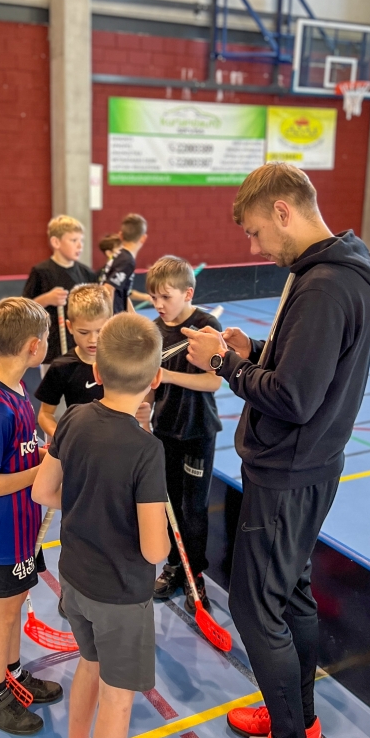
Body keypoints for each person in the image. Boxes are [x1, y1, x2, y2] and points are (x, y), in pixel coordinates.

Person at [183, 162, 370, 738]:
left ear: (282, 211)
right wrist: (255, 354)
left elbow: (294, 399)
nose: (254, 248)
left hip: (290, 471)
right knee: (290, 596)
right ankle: (298, 720)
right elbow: (304, 368)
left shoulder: (325, 285)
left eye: (254, 232)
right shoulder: (326, 271)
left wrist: (224, 363)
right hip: (302, 466)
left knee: (255, 605)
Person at [32, 314, 170, 738]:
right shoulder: (146, 450)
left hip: (76, 581)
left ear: (95, 369)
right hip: (120, 594)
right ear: (155, 379)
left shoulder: (74, 418)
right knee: (118, 698)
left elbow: (45, 491)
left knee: (89, 664)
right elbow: (155, 550)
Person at [0, 297, 63, 735]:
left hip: (22, 526)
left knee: (15, 605)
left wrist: (43, 454)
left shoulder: (19, 390)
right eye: (46, 339)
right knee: (2, 615)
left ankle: (12, 674)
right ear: (33, 346)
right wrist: (38, 472)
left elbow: (19, 454)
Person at [147, 256, 222, 613]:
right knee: (170, 506)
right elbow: (150, 386)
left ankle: (196, 575)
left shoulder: (206, 326)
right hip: (163, 431)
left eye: (166, 297)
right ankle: (175, 566)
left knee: (194, 509)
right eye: (153, 297)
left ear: (188, 293)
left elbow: (213, 381)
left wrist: (168, 375)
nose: (158, 304)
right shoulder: (153, 331)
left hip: (198, 431)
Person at [34, 283, 110, 439]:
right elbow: (45, 414)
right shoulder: (62, 367)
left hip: (116, 442)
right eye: (83, 332)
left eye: (99, 331)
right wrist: (62, 437)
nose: (92, 339)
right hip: (81, 443)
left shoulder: (121, 360)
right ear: (70, 327)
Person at [22, 215, 96, 363]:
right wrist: (46, 299)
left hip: (80, 343)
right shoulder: (41, 272)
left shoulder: (86, 273)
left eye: (81, 240)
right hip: (51, 345)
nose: (80, 246)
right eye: (74, 240)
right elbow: (25, 309)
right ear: (56, 242)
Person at [98, 213, 147, 315]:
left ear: (120, 235)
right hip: (113, 314)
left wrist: (133, 315)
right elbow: (108, 288)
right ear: (143, 238)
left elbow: (122, 292)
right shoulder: (127, 261)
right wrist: (109, 317)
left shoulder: (120, 256)